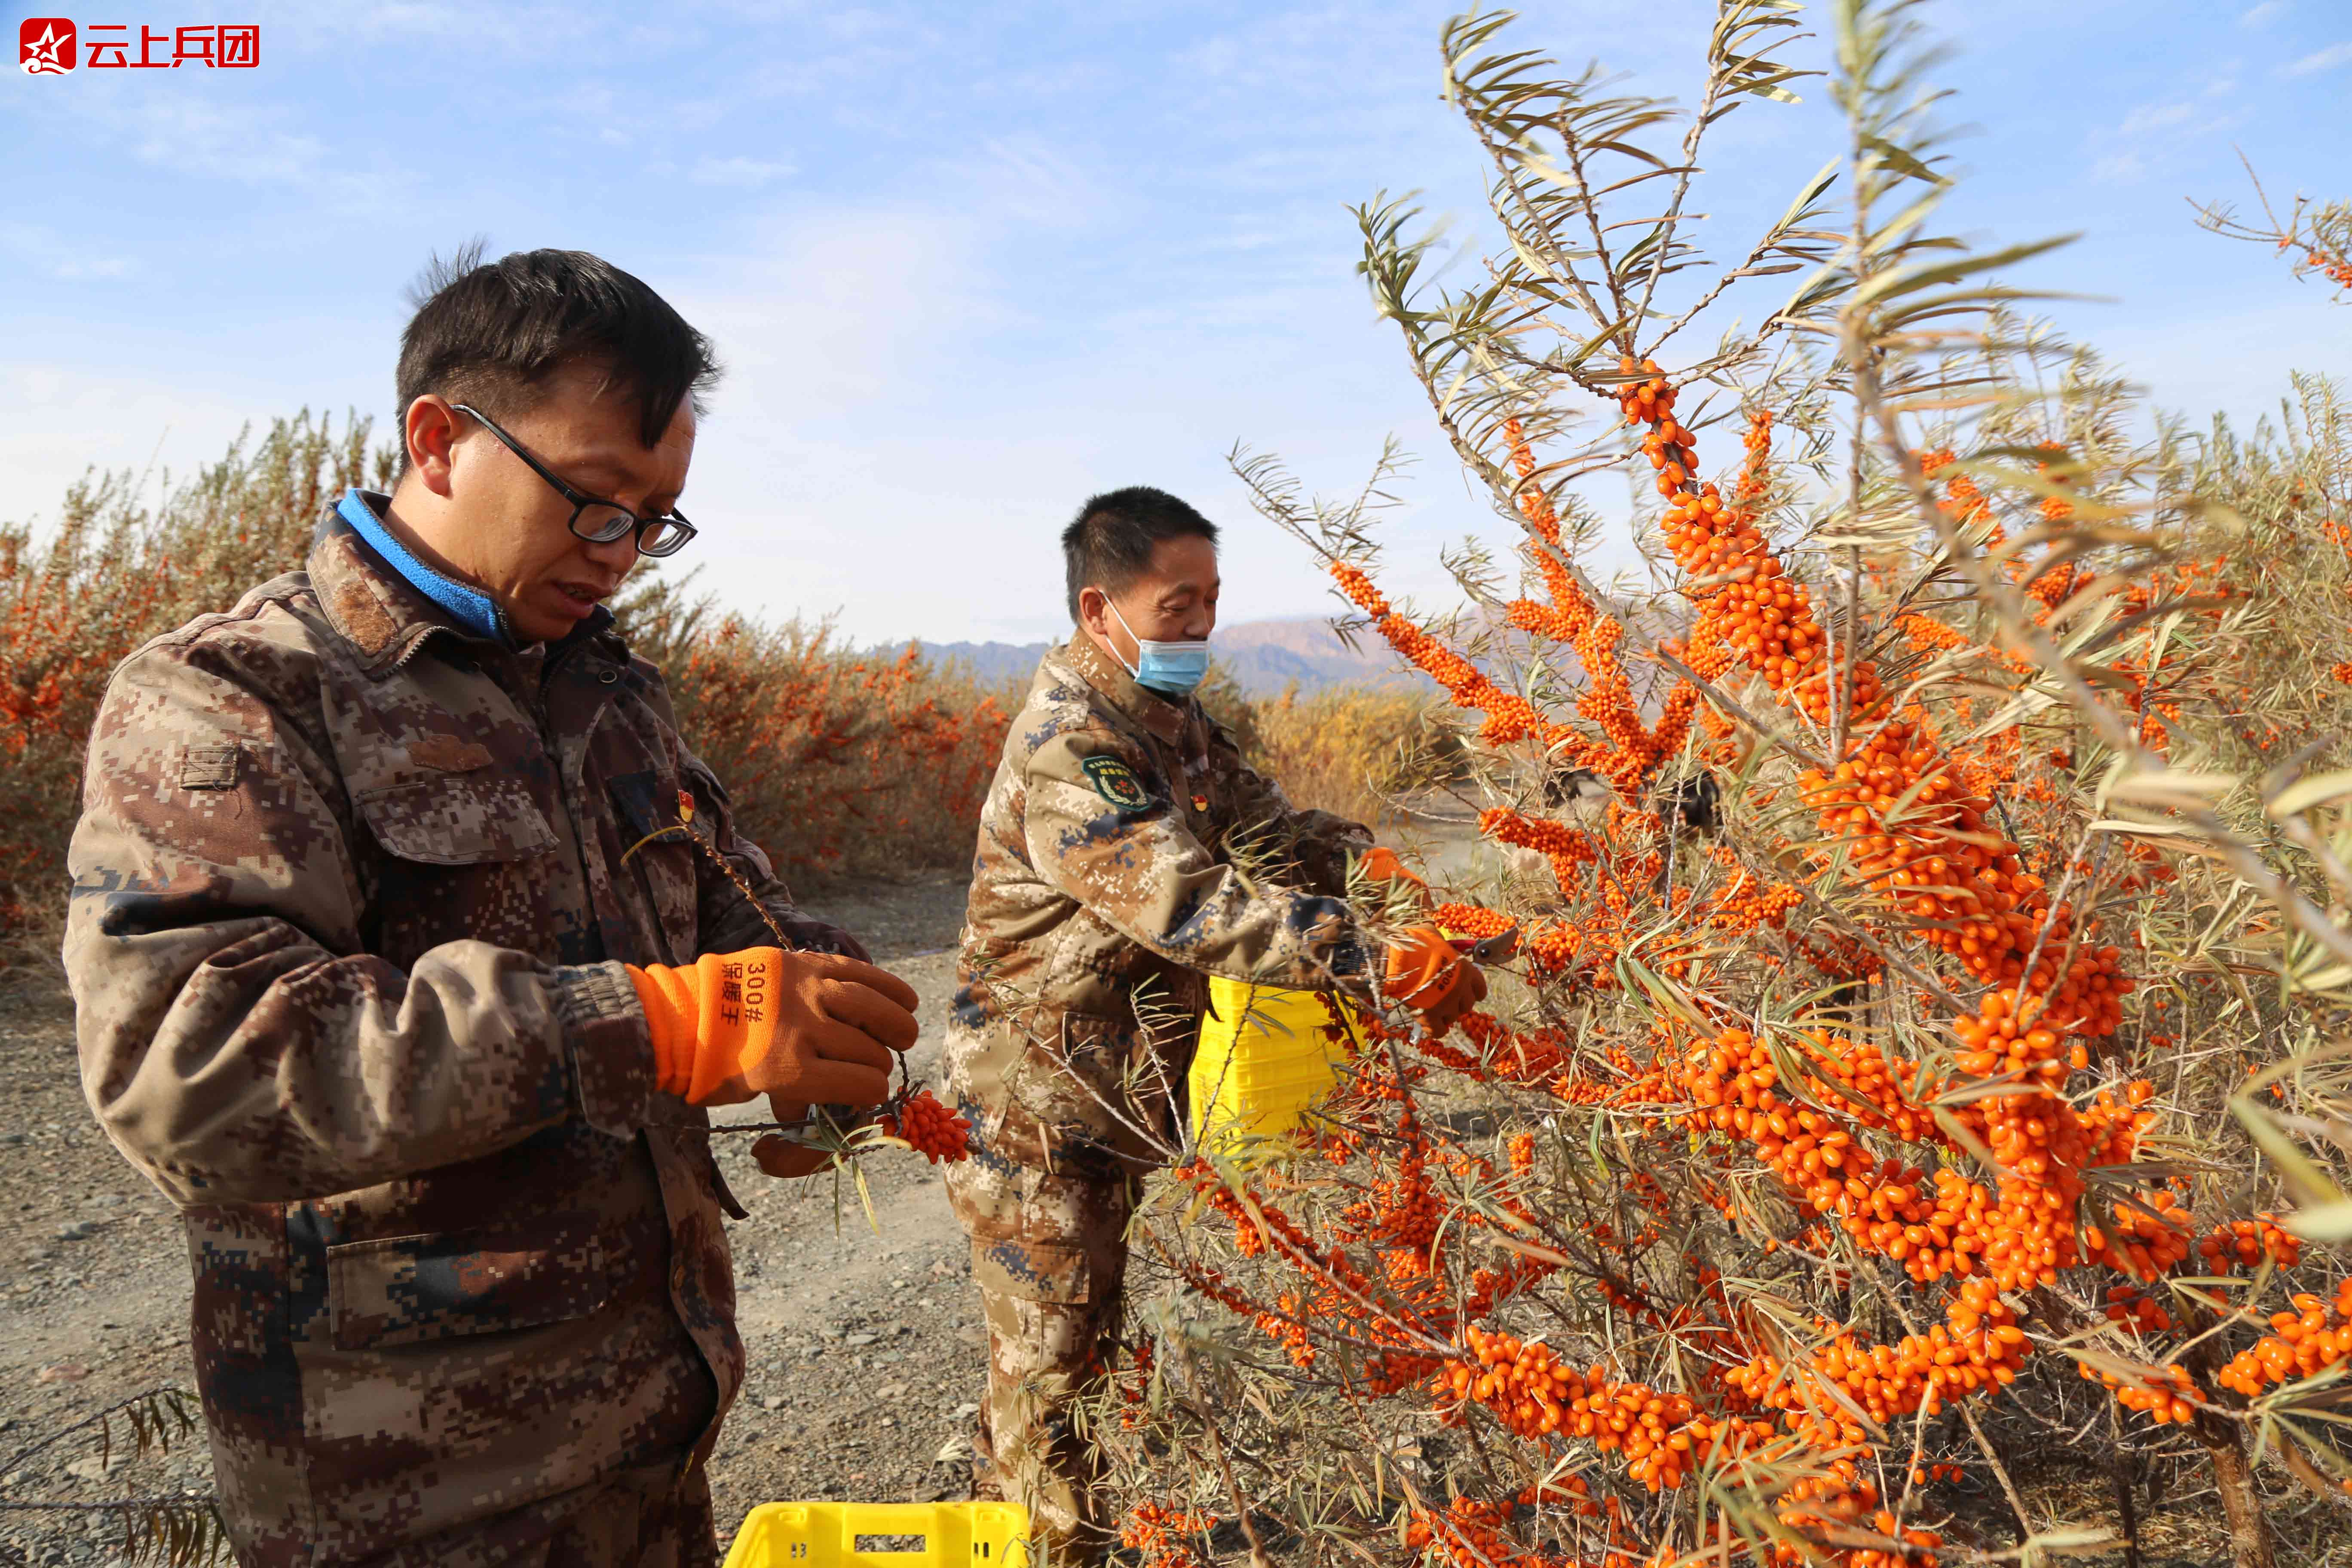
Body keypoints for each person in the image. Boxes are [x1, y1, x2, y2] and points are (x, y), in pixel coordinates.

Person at [61, 247, 923, 1568]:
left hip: (648, 1445)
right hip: (411, 1491)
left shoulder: (606, 691)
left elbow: (726, 919)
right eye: (594, 501)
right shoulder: (237, 696)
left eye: (657, 519)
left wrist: (812, 1002)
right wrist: (657, 1028)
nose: (623, 554)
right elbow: (196, 1066)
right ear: (440, 440)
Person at [941, 487, 1486, 1563]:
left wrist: (1378, 870)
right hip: (1038, 1106)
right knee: (1054, 1377)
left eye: (1211, 604)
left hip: (1121, 1092)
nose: (1199, 626)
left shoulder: (1172, 722)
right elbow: (1195, 908)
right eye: (1177, 605)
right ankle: (1045, 1548)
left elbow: (1271, 835)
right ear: (1103, 609)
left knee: (1087, 1348)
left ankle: (1052, 1525)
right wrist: (1377, 957)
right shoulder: (1069, 745)